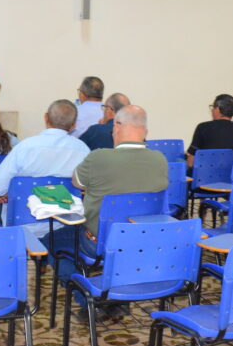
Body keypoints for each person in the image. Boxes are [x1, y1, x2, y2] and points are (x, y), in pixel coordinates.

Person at [44, 105, 167, 279]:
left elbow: (77, 182)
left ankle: (85, 296)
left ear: (116, 126)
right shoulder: (160, 159)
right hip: (142, 240)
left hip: (98, 243)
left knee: (49, 241)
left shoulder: (98, 157)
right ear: (145, 131)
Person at [0, 99, 90, 236]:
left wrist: (6, 193)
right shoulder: (83, 151)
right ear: (73, 125)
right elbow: (88, 187)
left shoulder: (25, 147)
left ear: (46, 117)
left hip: (23, 225)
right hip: (64, 226)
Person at [186, 94, 233, 166]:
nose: (212, 110)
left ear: (218, 109)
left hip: (203, 175)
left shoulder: (202, 128)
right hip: (228, 176)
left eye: (213, 107)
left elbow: (190, 163)